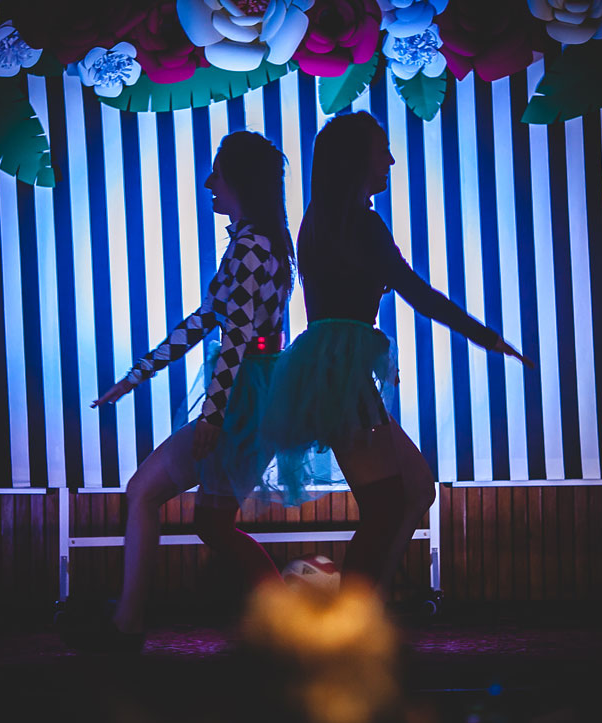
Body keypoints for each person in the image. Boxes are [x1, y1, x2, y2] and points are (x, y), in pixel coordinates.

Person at [262, 111, 535, 593]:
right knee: (387, 504)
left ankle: (370, 604)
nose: (389, 160)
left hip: (332, 368)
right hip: (340, 374)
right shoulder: (360, 224)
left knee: (416, 489)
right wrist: (489, 338)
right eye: (381, 150)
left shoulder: (321, 221)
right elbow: (417, 294)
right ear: (355, 160)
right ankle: (353, 615)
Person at [85, 130, 296, 651]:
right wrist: (136, 376)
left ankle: (129, 623)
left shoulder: (250, 248)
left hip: (244, 396)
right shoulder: (261, 244)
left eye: (217, 173)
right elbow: (207, 322)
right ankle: (288, 626)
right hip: (256, 393)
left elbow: (235, 338)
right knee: (212, 523)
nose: (208, 183)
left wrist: (213, 415)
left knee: (147, 494)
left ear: (239, 180)